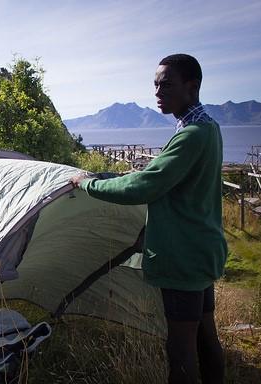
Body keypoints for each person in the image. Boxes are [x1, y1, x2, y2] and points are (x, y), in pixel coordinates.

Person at [71, 54, 226, 384]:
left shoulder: (191, 135)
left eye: (166, 84)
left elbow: (143, 185)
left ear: (192, 86)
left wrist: (88, 184)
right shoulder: (209, 127)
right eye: (155, 85)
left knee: (181, 348)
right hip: (203, 249)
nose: (157, 92)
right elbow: (170, 180)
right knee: (205, 334)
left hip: (182, 257)